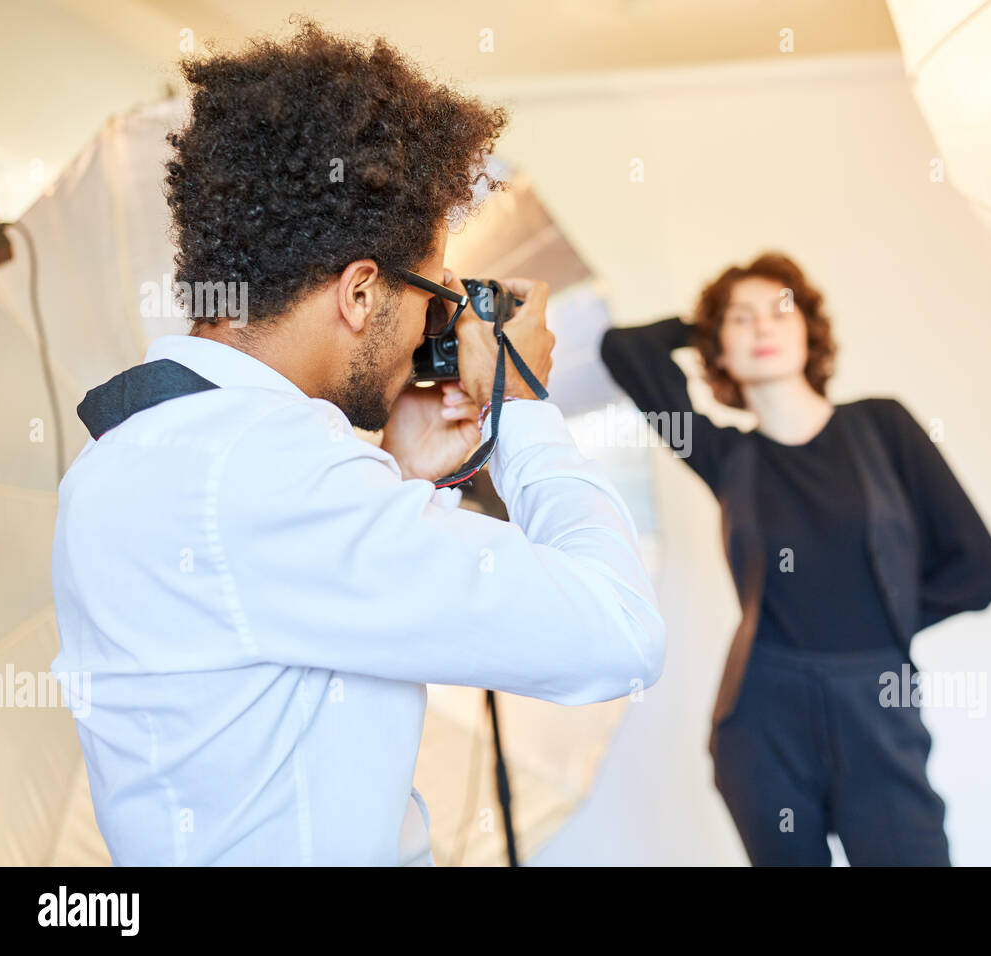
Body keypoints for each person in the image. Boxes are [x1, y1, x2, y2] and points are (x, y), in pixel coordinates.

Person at [49, 22, 664, 866]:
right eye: (433, 290)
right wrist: (521, 402)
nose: (435, 321)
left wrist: (398, 473)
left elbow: (282, 662)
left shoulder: (122, 454)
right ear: (363, 291)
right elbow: (622, 633)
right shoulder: (275, 474)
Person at [600, 252, 991, 866]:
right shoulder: (724, 455)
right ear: (720, 351)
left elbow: (979, 568)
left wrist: (882, 622)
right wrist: (702, 323)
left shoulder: (881, 426)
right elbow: (622, 349)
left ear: (809, 332)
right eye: (742, 320)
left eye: (780, 312)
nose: (762, 327)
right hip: (763, 716)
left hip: (877, 700)